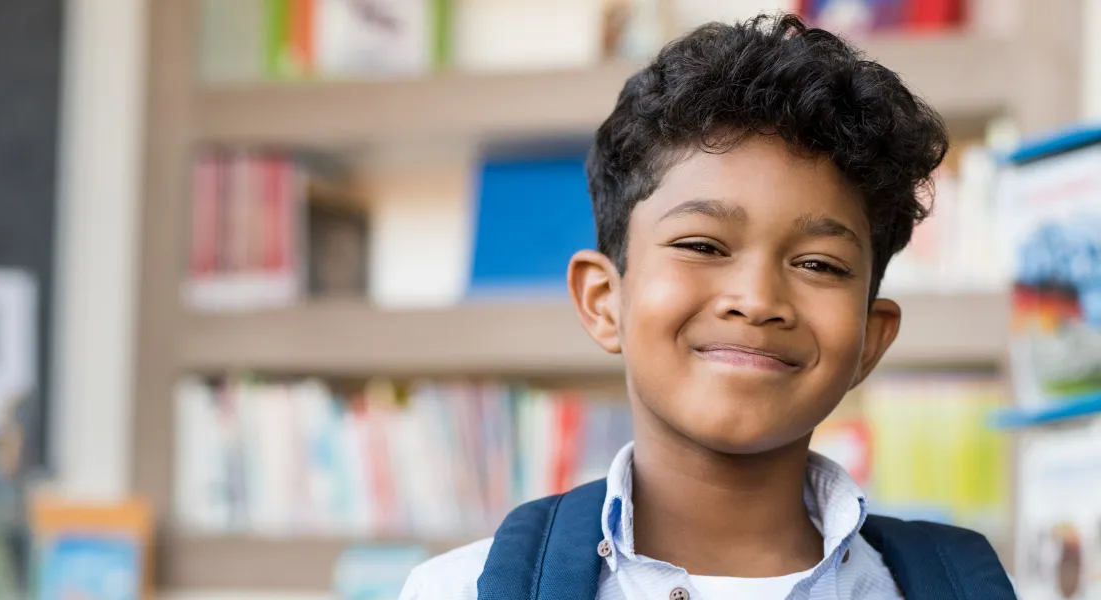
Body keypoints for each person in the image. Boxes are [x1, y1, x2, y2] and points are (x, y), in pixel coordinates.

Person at [400, 12, 1014, 600]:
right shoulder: (462, 590)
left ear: (871, 340)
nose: (757, 301)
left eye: (819, 264)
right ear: (602, 299)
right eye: (701, 245)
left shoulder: (958, 588)